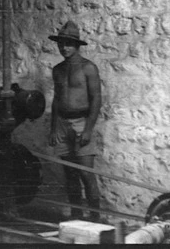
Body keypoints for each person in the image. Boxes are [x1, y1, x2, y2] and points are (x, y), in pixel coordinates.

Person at [48, 21, 102, 222]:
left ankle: (95, 219)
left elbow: (96, 98)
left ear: (77, 45)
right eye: (61, 44)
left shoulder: (89, 68)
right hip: (62, 123)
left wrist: (88, 129)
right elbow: (56, 98)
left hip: (82, 121)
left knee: (86, 174)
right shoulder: (58, 69)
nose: (64, 48)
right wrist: (53, 128)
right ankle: (77, 217)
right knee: (69, 175)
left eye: (69, 44)